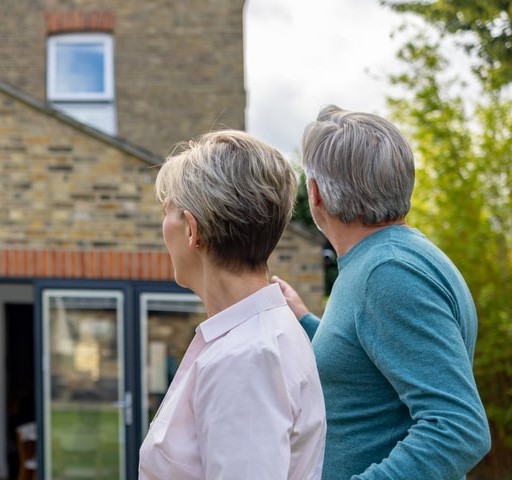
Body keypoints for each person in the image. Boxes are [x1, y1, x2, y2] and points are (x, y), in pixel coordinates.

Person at [273, 105, 491, 479]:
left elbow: (457, 428)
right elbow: (371, 364)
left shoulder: (387, 273)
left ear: (316, 193)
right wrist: (306, 321)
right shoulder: (386, 260)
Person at [139, 130, 326, 479]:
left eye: (168, 211)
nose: (163, 227)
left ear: (193, 230)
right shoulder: (252, 336)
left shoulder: (247, 356)